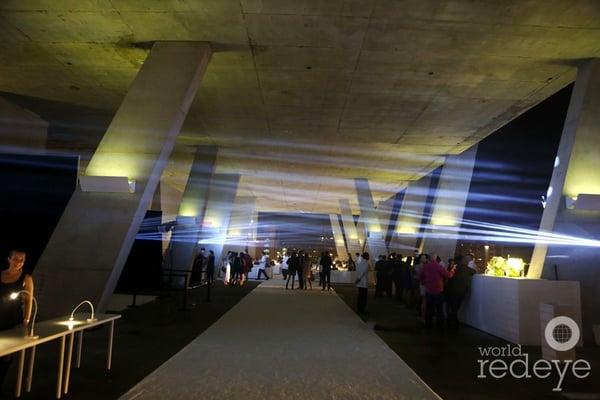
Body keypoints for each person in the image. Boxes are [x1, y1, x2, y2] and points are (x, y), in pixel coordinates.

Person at [0, 249, 33, 389]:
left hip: (13, 320)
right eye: (15, 259)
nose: (18, 262)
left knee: (6, 357)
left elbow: (29, 301)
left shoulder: (26, 278)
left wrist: (26, 320)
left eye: (22, 260)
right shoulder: (0, 275)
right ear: (9, 259)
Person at [419, 255, 455, 329]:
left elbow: (421, 276)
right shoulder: (439, 266)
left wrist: (423, 283)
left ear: (429, 259)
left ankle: (428, 324)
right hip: (438, 290)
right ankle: (439, 325)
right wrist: (452, 271)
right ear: (436, 259)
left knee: (429, 308)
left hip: (429, 290)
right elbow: (448, 275)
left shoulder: (426, 266)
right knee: (439, 309)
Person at [445, 256, 475, 327]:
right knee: (456, 306)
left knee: (451, 305)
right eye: (468, 261)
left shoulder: (454, 268)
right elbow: (475, 272)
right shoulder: (468, 270)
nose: (468, 262)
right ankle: (454, 320)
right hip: (460, 291)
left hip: (451, 289)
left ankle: (450, 319)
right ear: (465, 261)